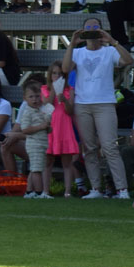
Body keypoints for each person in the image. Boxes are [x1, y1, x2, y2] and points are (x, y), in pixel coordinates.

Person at [63, 18, 132, 198]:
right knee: (89, 148)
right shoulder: (77, 52)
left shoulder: (109, 51)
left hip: (105, 103)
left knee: (109, 146)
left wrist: (113, 41)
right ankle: (95, 188)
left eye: (96, 27)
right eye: (88, 28)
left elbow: (128, 60)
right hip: (82, 104)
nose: (92, 30)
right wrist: (72, 43)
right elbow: (65, 68)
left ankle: (122, 188)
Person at [3, 79, 54, 199]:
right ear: (25, 99)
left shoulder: (40, 111)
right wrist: (41, 127)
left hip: (42, 143)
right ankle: (39, 193)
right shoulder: (27, 112)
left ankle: (29, 191)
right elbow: (25, 129)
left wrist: (48, 128)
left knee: (35, 168)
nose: (35, 99)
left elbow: (44, 128)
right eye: (31, 97)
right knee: (37, 170)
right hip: (34, 144)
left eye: (37, 96)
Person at [42, 61, 81, 198]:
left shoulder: (70, 90)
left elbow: (70, 111)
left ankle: (67, 191)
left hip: (64, 129)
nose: (57, 76)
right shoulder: (44, 89)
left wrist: (64, 99)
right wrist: (54, 90)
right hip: (51, 129)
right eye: (54, 73)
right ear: (50, 75)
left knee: (67, 162)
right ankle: (45, 191)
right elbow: (47, 105)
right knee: (48, 162)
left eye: (60, 74)